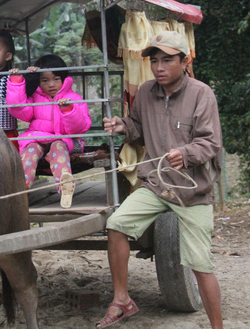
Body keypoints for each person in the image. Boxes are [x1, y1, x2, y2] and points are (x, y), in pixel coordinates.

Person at [98, 30, 223, 328]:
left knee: (201, 266)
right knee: (115, 224)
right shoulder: (145, 92)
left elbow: (210, 142)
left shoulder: (201, 93)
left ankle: (218, 326)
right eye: (154, 61)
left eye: (167, 60)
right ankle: (122, 300)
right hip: (156, 185)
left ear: (185, 61)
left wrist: (186, 154)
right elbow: (139, 127)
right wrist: (122, 125)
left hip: (193, 192)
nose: (159, 68)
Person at [7, 54, 92, 208]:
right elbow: (17, 108)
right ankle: (21, 189)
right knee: (30, 149)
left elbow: (80, 127)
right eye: (45, 80)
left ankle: (65, 187)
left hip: (66, 140)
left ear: (64, 79)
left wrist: (68, 109)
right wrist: (18, 81)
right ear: (39, 82)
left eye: (56, 79)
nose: (51, 84)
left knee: (58, 147)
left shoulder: (73, 98)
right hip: (39, 138)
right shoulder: (34, 97)